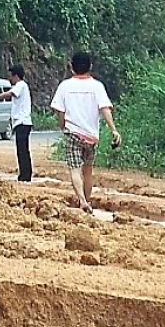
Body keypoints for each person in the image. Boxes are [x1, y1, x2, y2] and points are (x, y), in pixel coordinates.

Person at [50, 52, 122, 214]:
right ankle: (87, 201)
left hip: (73, 133)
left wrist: (62, 125)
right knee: (87, 170)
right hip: (91, 137)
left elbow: (60, 111)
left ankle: (82, 200)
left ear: (71, 67)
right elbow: (104, 108)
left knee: (74, 169)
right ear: (90, 67)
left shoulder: (65, 86)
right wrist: (113, 130)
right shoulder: (97, 86)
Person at [0, 65, 33, 181]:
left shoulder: (21, 85)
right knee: (22, 150)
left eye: (10, 76)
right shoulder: (21, 86)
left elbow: (9, 94)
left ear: (16, 76)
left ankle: (25, 175)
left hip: (22, 122)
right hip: (21, 123)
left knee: (22, 150)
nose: (9, 79)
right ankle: (24, 173)